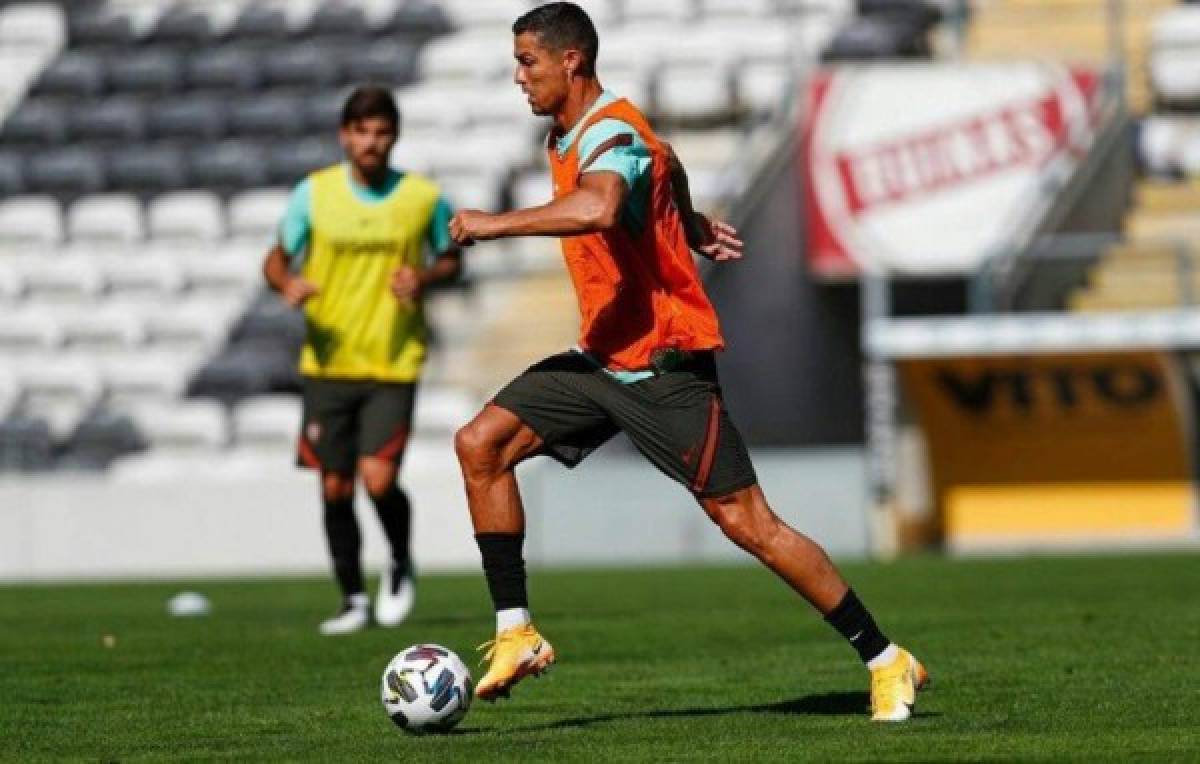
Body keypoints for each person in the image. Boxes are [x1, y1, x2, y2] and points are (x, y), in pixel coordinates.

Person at [448, 2, 927, 721]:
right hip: (602, 358)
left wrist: (495, 225)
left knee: (749, 525)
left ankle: (887, 659)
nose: (519, 76)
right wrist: (688, 222)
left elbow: (602, 207)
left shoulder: (609, 131)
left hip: (666, 368)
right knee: (480, 444)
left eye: (527, 61)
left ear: (571, 60)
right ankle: (515, 631)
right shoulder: (577, 132)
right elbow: (663, 158)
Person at [263, 86, 462, 635]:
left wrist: (422, 276)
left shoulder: (421, 198)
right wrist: (287, 284)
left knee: (377, 479)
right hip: (328, 362)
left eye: (381, 132)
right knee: (333, 486)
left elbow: (452, 260)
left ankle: (398, 560)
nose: (371, 142)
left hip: (392, 359)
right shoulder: (315, 194)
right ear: (344, 135)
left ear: (393, 136)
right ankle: (352, 598)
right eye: (362, 132)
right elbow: (276, 259)